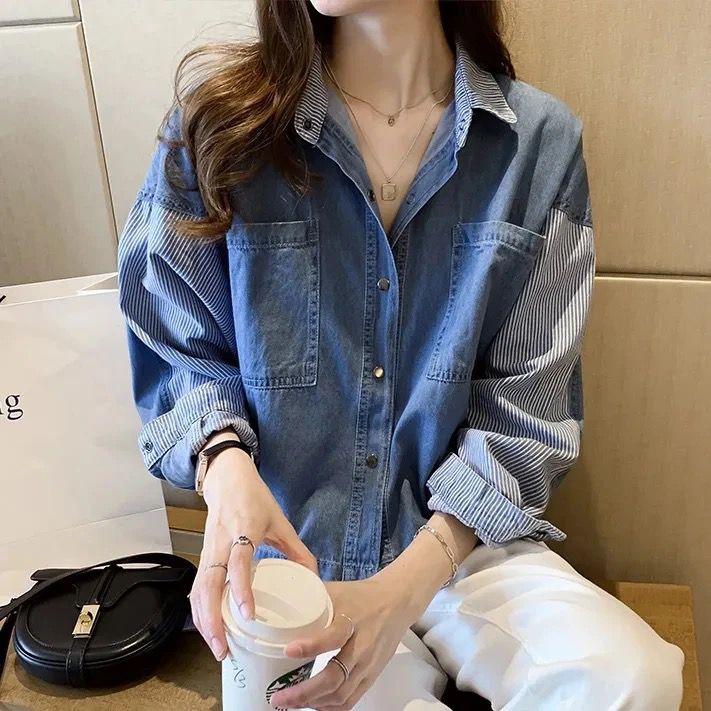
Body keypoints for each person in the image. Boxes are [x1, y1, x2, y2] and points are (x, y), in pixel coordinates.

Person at [117, 1, 685, 709]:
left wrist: (405, 584)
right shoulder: (219, 129)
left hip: (463, 546)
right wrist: (224, 466)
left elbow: (526, 408)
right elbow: (178, 350)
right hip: (296, 564)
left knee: (630, 678)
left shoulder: (538, 146)